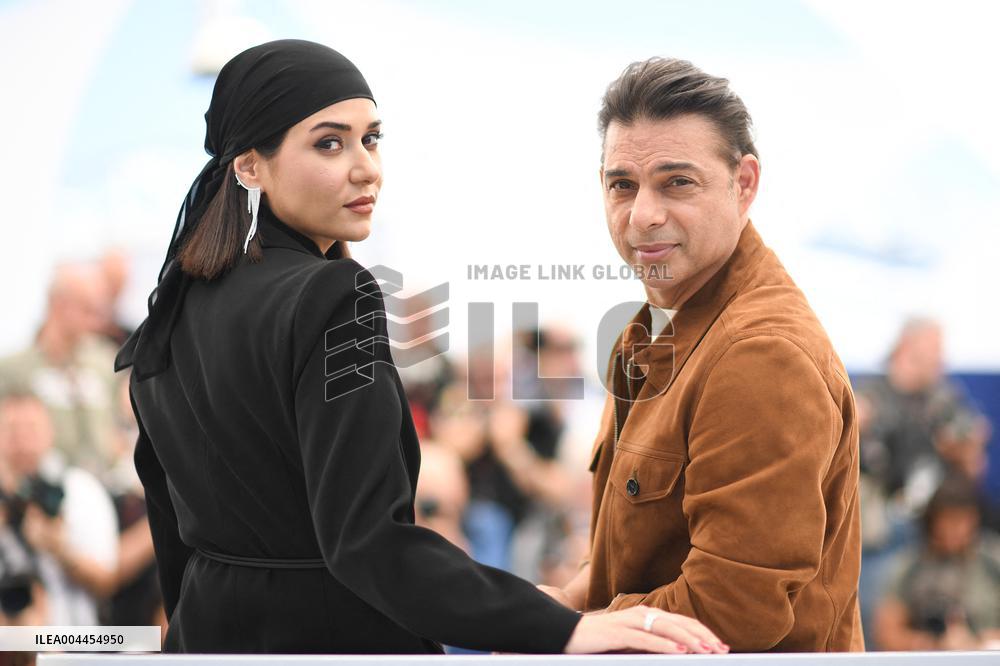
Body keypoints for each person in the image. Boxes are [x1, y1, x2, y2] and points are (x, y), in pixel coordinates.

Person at [114, 39, 726, 655]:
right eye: (329, 143)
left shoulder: (171, 310)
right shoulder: (334, 296)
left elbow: (172, 532)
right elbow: (368, 541)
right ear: (249, 166)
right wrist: (562, 627)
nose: (365, 168)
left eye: (370, 139)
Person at [539, 57, 863, 651]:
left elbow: (732, 607)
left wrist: (569, 630)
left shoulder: (761, 356)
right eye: (623, 185)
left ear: (744, 184)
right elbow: (628, 561)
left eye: (676, 182)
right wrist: (559, 604)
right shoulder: (647, 332)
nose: (643, 216)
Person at [874, 475, 1000, 650]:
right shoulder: (910, 566)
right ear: (932, 521)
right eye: (946, 521)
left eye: (960, 521)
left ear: (974, 520)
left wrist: (979, 643)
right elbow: (886, 631)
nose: (952, 530)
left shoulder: (993, 561)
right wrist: (931, 645)